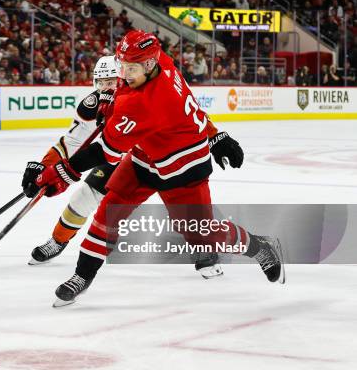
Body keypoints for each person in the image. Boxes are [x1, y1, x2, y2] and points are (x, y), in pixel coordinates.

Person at [33, 30, 285, 307]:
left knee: (202, 234)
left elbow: (105, 151)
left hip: (183, 169)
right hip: (144, 158)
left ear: (149, 64)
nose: (124, 74)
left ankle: (261, 247)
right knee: (108, 212)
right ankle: (82, 276)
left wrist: (62, 172)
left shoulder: (146, 102)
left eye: (131, 68)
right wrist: (214, 133)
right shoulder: (161, 61)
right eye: (123, 65)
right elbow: (187, 100)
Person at [22, 55, 226, 280]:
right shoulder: (94, 104)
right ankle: (58, 240)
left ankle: (205, 245)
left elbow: (189, 113)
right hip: (123, 158)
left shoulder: (150, 91)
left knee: (186, 205)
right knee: (83, 197)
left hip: (165, 156)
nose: (105, 88)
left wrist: (214, 136)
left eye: (111, 82)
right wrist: (45, 167)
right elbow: (72, 142)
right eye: (101, 83)